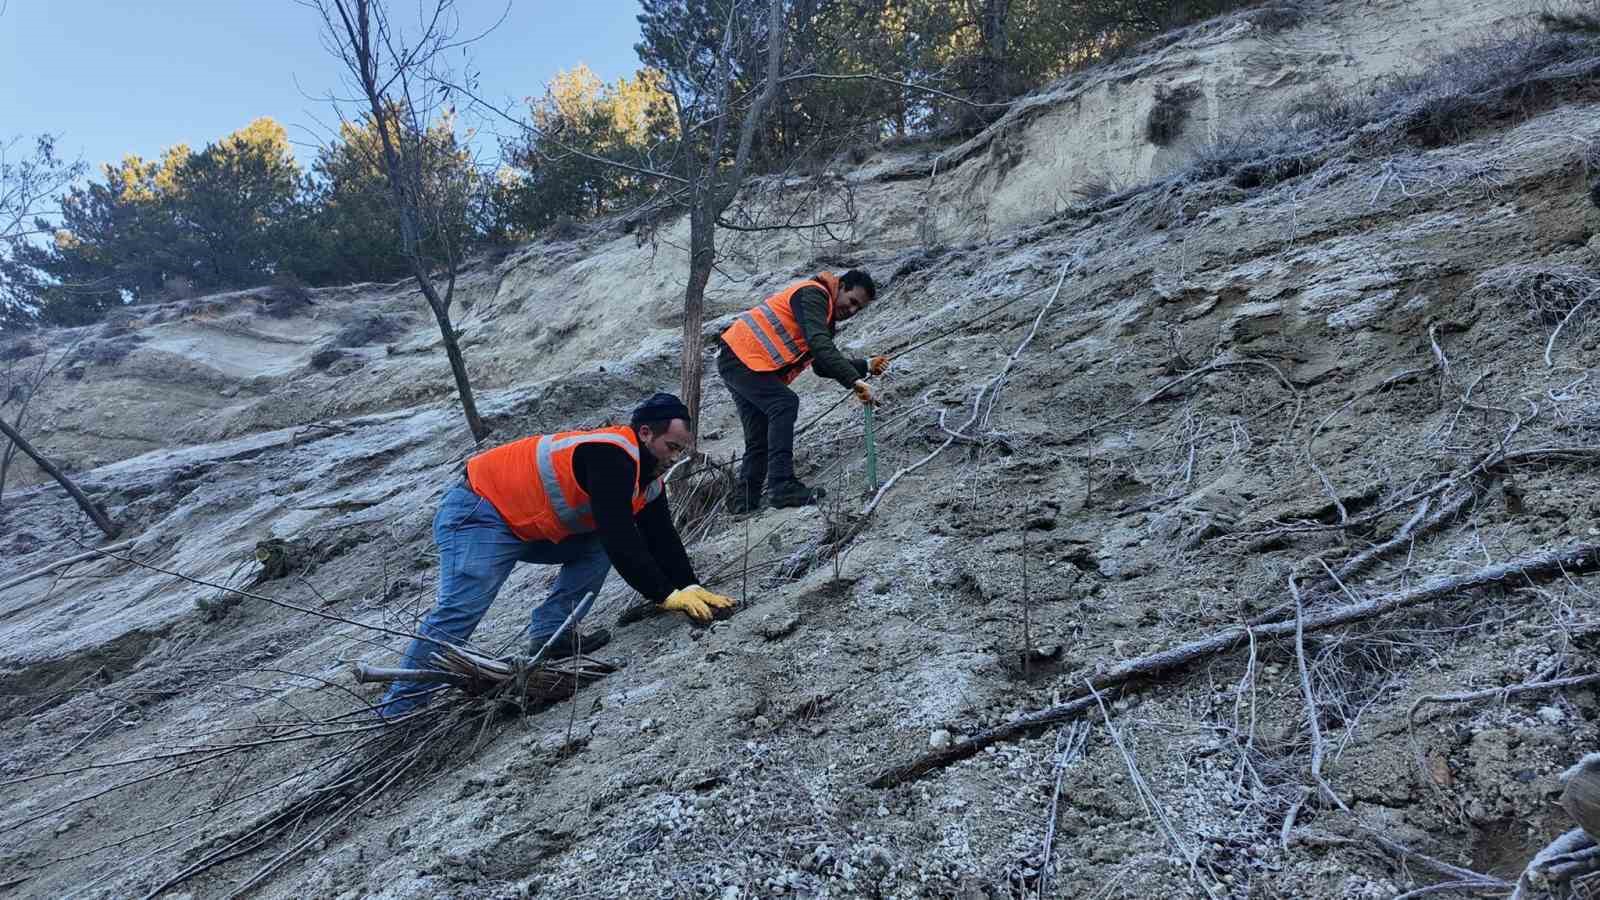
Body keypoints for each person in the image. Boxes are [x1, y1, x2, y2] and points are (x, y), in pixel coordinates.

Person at [379, 393, 736, 717]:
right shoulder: (611, 455)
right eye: (671, 447)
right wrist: (665, 595)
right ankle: (400, 710)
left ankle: (554, 635)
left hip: (528, 524)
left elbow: (662, 538)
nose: (674, 458)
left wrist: (689, 585)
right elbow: (620, 535)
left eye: (680, 451)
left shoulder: (648, 479)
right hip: (480, 512)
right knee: (462, 607)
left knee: (596, 545)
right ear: (645, 433)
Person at [717, 269, 888, 512]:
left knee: (759, 435)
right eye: (852, 302)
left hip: (740, 359)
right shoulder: (813, 295)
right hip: (743, 358)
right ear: (840, 285)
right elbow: (820, 347)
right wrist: (853, 381)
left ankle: (743, 502)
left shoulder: (822, 313)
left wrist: (865, 366)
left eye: (857, 309)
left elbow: (820, 365)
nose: (851, 311)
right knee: (784, 404)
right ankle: (782, 485)